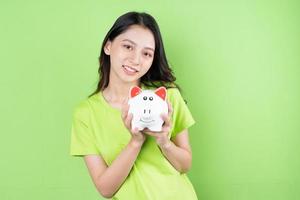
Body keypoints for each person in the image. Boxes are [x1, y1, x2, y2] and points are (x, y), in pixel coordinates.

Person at [70, 11, 198, 200]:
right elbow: (105, 189)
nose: (136, 59)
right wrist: (136, 142)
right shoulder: (85, 113)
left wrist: (164, 142)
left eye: (146, 53)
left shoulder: (168, 97)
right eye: (128, 46)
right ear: (108, 46)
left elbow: (185, 165)